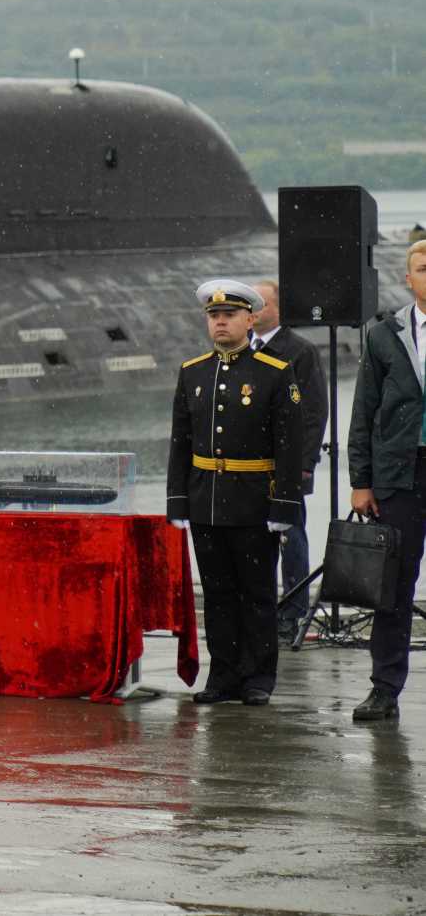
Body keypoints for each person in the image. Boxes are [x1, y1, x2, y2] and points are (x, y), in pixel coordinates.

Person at [166, 278, 303, 707]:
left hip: (254, 500)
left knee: (257, 593)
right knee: (219, 594)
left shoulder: (275, 373)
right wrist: (177, 501)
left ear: (250, 318)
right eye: (214, 316)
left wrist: (284, 503)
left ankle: (259, 676)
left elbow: (289, 444)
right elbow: (180, 442)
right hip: (206, 498)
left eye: (229, 316)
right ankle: (223, 674)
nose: (221, 322)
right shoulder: (194, 373)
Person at [349, 242, 426, 724]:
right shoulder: (383, 336)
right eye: (424, 267)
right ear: (408, 278)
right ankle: (385, 688)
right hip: (401, 474)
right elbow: (364, 411)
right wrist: (362, 480)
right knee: (393, 587)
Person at [250, 279, 326, 640]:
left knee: (290, 537)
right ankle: (260, 610)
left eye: (260, 304)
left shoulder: (299, 350)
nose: (252, 312)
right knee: (254, 539)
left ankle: (292, 612)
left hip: (288, 466)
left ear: (279, 309)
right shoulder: (240, 349)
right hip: (249, 467)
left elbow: (314, 413)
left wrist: (303, 464)